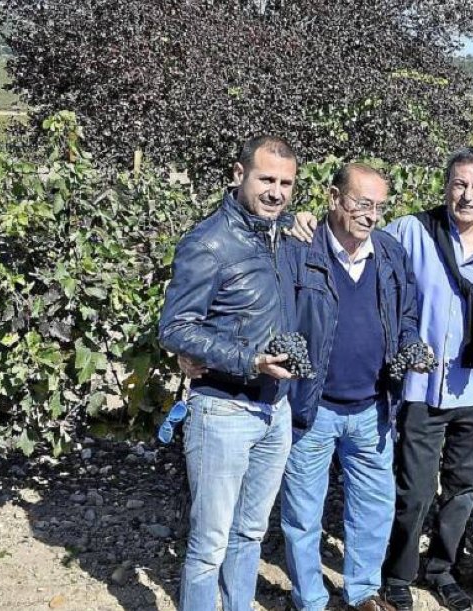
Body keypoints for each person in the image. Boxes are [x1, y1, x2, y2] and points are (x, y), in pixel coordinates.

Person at [379, 147, 473, 611]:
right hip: (423, 389)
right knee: (415, 491)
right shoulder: (412, 231)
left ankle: (442, 569)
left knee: (463, 488)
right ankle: (397, 575)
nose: (467, 195)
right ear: (446, 185)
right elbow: (360, 248)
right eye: (460, 184)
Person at [158, 135, 300, 611]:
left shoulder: (280, 235)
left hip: (273, 410)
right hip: (222, 409)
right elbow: (176, 327)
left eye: (285, 183)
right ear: (239, 175)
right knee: (209, 544)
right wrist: (249, 360)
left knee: (250, 533)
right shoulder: (207, 243)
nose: (276, 192)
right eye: (266, 179)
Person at [280, 163, 424, 611]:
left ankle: (362, 591)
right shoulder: (301, 249)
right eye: (362, 203)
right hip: (314, 405)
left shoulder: (388, 253)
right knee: (303, 514)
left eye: (379, 206)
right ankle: (311, 601)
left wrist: (410, 345)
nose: (371, 215)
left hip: (373, 407)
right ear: (333, 198)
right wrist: (290, 219)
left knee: (373, 510)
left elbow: (406, 313)